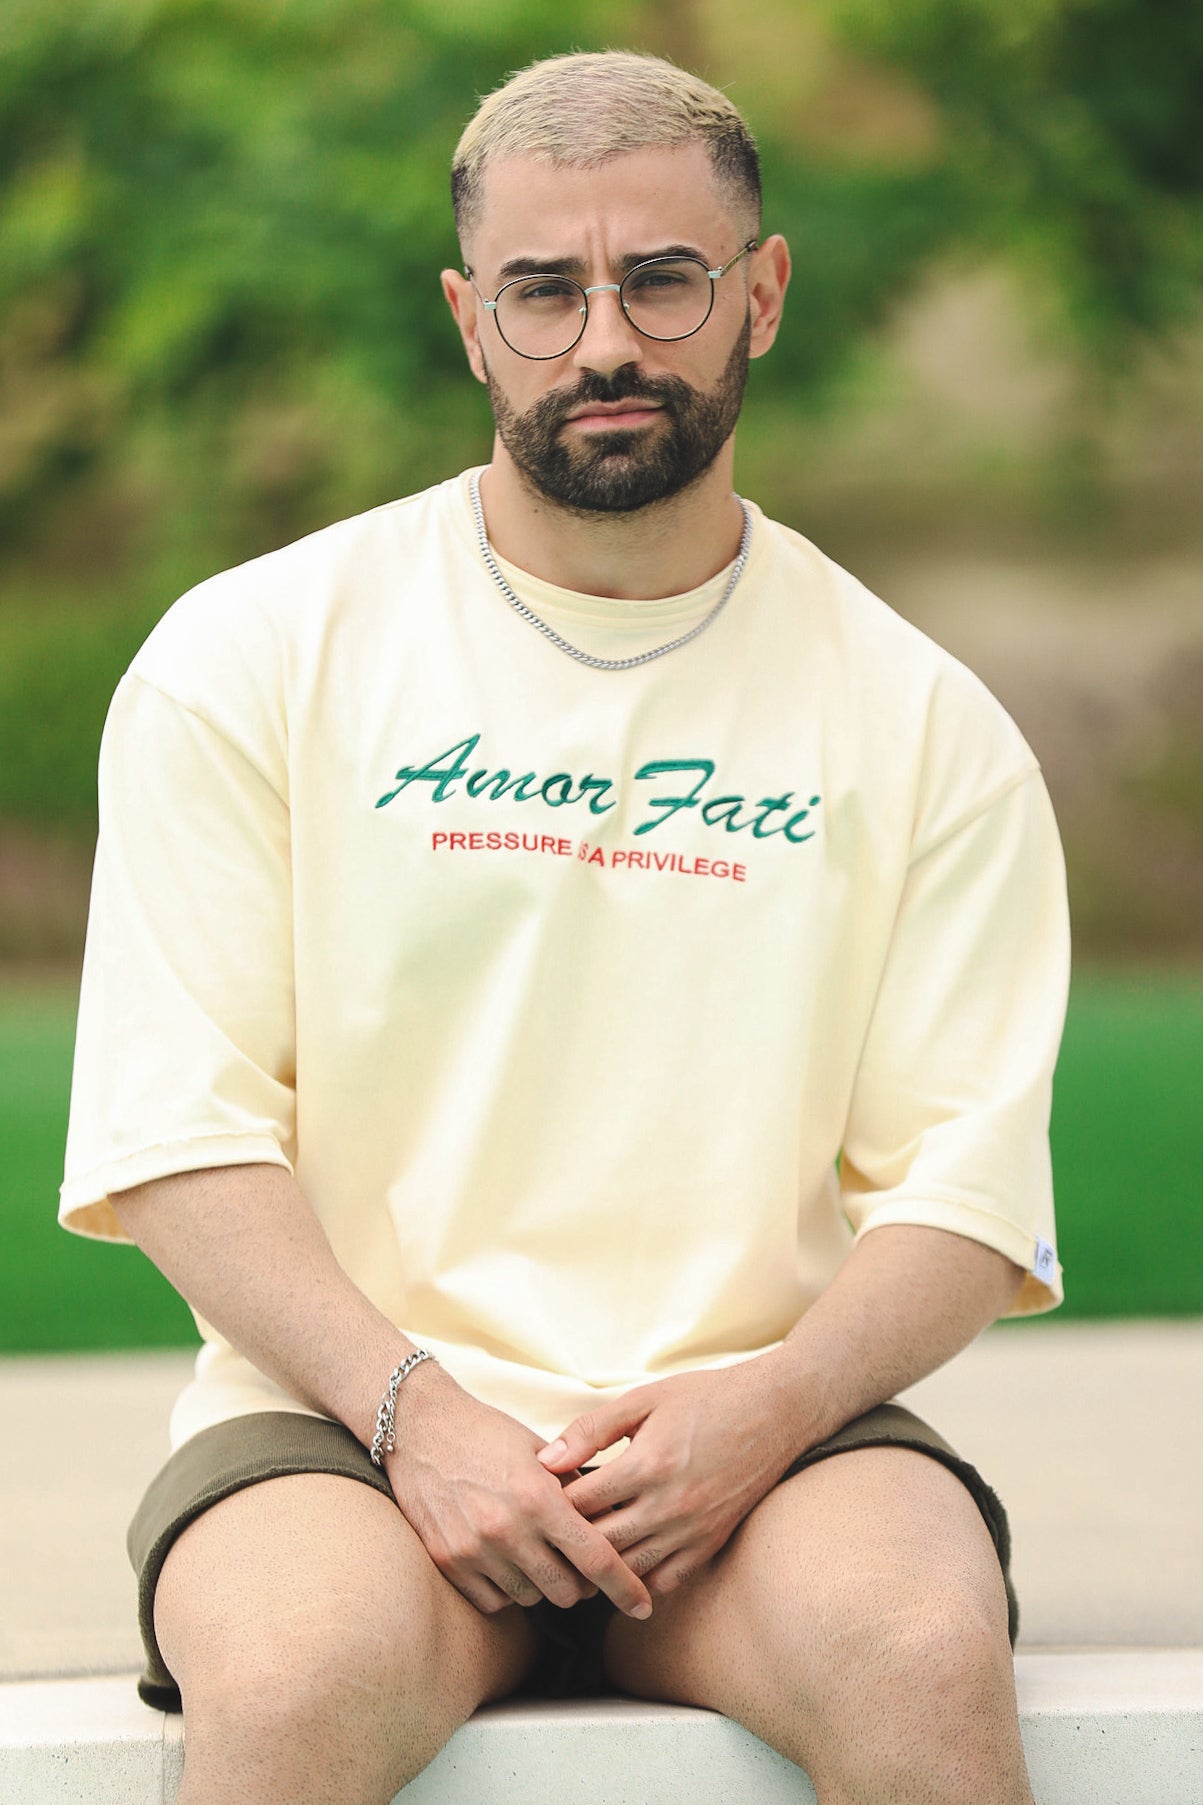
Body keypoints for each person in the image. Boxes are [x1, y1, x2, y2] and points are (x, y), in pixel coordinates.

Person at [60, 49, 1069, 1805]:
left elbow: (966, 1201)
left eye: (663, 278)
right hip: (343, 1428)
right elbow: (179, 1133)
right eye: (543, 290)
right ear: (471, 319)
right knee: (294, 1679)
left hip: (767, 1436)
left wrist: (768, 1409)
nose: (604, 340)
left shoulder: (920, 720)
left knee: (918, 1653)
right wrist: (419, 1417)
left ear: (762, 292)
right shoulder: (253, 657)